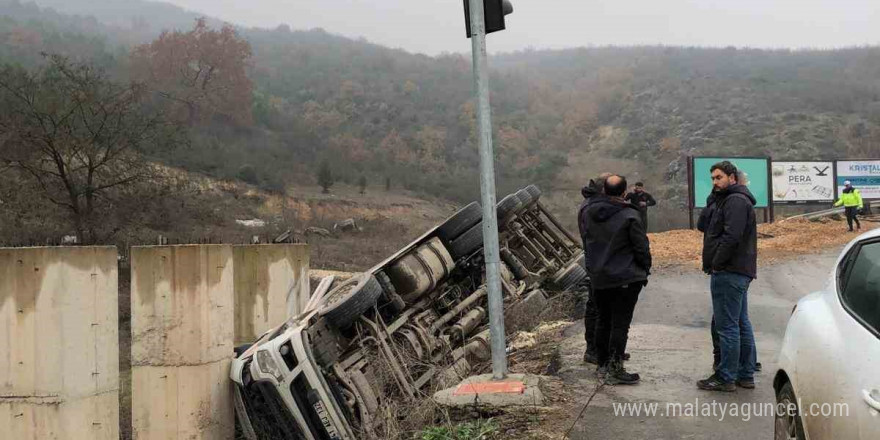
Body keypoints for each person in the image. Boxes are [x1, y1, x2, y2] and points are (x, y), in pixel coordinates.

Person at [583, 175, 651, 384]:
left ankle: (602, 365)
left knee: (603, 321)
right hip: (625, 278)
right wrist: (644, 269)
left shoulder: (587, 212)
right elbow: (641, 247)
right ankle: (615, 368)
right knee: (620, 324)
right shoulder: (630, 214)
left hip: (599, 277)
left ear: (604, 190)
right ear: (624, 193)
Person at [697, 161, 757, 392]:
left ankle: (726, 376)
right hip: (735, 270)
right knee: (740, 322)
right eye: (712, 178)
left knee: (727, 326)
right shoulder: (724, 200)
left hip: (730, 270)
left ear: (732, 177)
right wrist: (713, 198)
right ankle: (745, 374)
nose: (715, 182)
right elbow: (703, 225)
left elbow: (732, 237)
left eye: (719, 177)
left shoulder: (736, 201)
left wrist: (717, 263)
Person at [578, 172, 611, 365]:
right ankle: (593, 349)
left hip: (598, 261)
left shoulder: (593, 203)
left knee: (601, 308)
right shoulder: (593, 208)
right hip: (597, 263)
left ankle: (605, 348)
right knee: (596, 308)